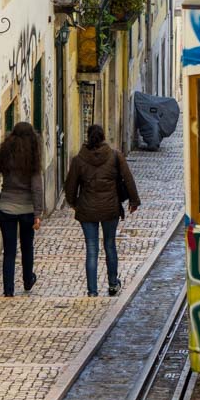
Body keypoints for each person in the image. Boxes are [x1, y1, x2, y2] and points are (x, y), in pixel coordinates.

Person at [63, 125, 140, 297]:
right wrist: (134, 201)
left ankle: (92, 290)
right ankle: (113, 284)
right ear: (103, 137)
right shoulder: (115, 156)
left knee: (91, 249)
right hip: (109, 209)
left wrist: (75, 203)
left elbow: (70, 188)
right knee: (110, 245)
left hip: (87, 210)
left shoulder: (78, 160)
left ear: (88, 137)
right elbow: (128, 178)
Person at [0, 122, 45, 297]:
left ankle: (8, 290)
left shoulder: (4, 155)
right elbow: (36, 187)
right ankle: (27, 281)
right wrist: (37, 213)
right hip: (27, 210)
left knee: (9, 251)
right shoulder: (32, 157)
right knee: (27, 247)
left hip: (6, 209)